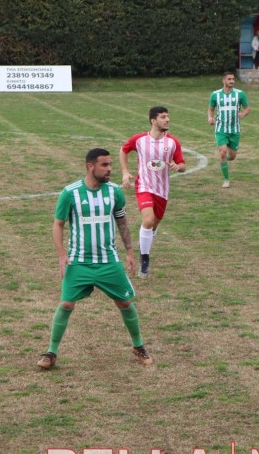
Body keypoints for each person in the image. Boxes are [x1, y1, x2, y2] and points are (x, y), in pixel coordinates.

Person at [37, 148, 152, 370]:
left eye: (110, 164)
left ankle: (138, 346)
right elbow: (58, 224)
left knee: (125, 302)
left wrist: (129, 251)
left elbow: (122, 221)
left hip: (108, 261)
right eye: (105, 165)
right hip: (79, 261)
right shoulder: (70, 193)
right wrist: (62, 255)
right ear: (91, 167)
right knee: (66, 304)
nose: (110, 169)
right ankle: (51, 352)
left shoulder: (113, 192)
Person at [119, 106, 186, 278]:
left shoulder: (172, 142)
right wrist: (125, 172)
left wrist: (178, 167)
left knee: (154, 224)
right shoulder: (139, 140)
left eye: (168, 117)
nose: (167, 120)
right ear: (153, 121)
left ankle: (146, 243)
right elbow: (124, 150)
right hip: (144, 186)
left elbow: (183, 165)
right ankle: (145, 258)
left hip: (162, 191)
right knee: (147, 221)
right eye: (163, 117)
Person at [208, 71, 251, 188]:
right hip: (221, 129)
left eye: (233, 79)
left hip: (234, 130)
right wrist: (210, 117)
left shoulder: (240, 94)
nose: (231, 81)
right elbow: (211, 109)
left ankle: (224, 161)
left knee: (232, 156)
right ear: (223, 80)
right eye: (229, 79)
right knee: (222, 152)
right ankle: (226, 179)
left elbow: (247, 108)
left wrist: (243, 114)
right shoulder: (215, 94)